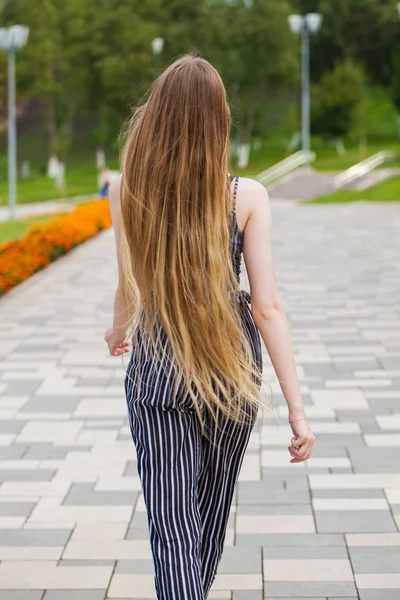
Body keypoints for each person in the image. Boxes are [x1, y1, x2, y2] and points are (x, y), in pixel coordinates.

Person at [104, 55, 315, 600]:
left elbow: (128, 284)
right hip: (232, 373)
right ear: (219, 120)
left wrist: (115, 331)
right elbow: (267, 307)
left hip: (157, 369)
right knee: (206, 524)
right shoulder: (247, 197)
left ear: (158, 114)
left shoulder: (127, 188)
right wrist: (296, 407)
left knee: (174, 533)